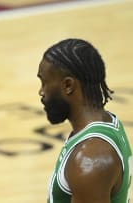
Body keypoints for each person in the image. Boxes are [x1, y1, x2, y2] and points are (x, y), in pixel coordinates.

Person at [37, 38, 132, 203]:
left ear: (68, 85)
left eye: (44, 82)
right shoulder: (108, 122)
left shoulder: (89, 161)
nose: (41, 92)